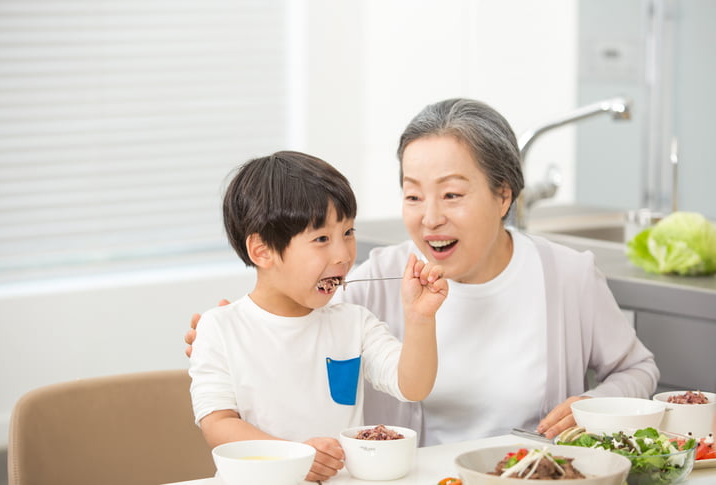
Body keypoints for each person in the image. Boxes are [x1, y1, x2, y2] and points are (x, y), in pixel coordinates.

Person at [187, 99, 659, 447]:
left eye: (451, 195)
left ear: (503, 196)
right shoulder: (383, 276)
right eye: (413, 196)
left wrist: (595, 408)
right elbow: (296, 316)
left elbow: (638, 369)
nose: (429, 217)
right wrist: (234, 329)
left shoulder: (567, 276)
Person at [188, 151, 448, 482]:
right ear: (262, 251)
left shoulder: (354, 322)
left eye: (348, 233)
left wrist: (420, 318)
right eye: (322, 239)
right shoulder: (220, 327)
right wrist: (295, 458)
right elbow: (218, 423)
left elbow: (413, 386)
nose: (343, 255)